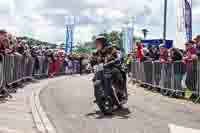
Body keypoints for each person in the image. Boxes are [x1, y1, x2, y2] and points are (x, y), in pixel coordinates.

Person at [90, 36, 127, 101]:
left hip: (111, 67)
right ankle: (99, 95)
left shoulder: (111, 49)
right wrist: (90, 64)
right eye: (96, 43)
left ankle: (121, 92)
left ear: (103, 43)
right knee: (94, 79)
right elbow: (92, 60)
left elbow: (117, 56)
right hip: (101, 69)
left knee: (117, 73)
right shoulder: (96, 52)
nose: (97, 44)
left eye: (98, 43)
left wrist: (116, 60)